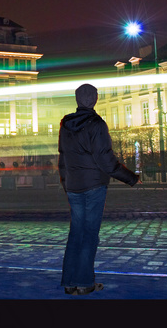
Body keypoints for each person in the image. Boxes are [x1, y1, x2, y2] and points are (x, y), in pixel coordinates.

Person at [58, 83, 140, 295]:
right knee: (90, 234)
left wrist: (66, 183)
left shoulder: (65, 124)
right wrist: (131, 178)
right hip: (94, 185)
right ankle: (85, 282)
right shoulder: (97, 124)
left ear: (77, 100)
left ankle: (69, 282)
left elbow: (62, 158)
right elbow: (106, 161)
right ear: (95, 99)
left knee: (76, 233)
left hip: (74, 185)